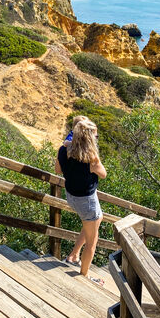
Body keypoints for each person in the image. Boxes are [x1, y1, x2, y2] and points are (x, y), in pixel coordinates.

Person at [55, 119, 107, 285]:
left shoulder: (63, 150)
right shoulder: (90, 158)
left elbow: (58, 170)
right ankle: (84, 275)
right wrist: (96, 157)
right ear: (89, 138)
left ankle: (74, 255)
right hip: (87, 201)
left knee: (97, 219)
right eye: (95, 136)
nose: (97, 138)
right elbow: (103, 174)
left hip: (71, 196)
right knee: (92, 241)